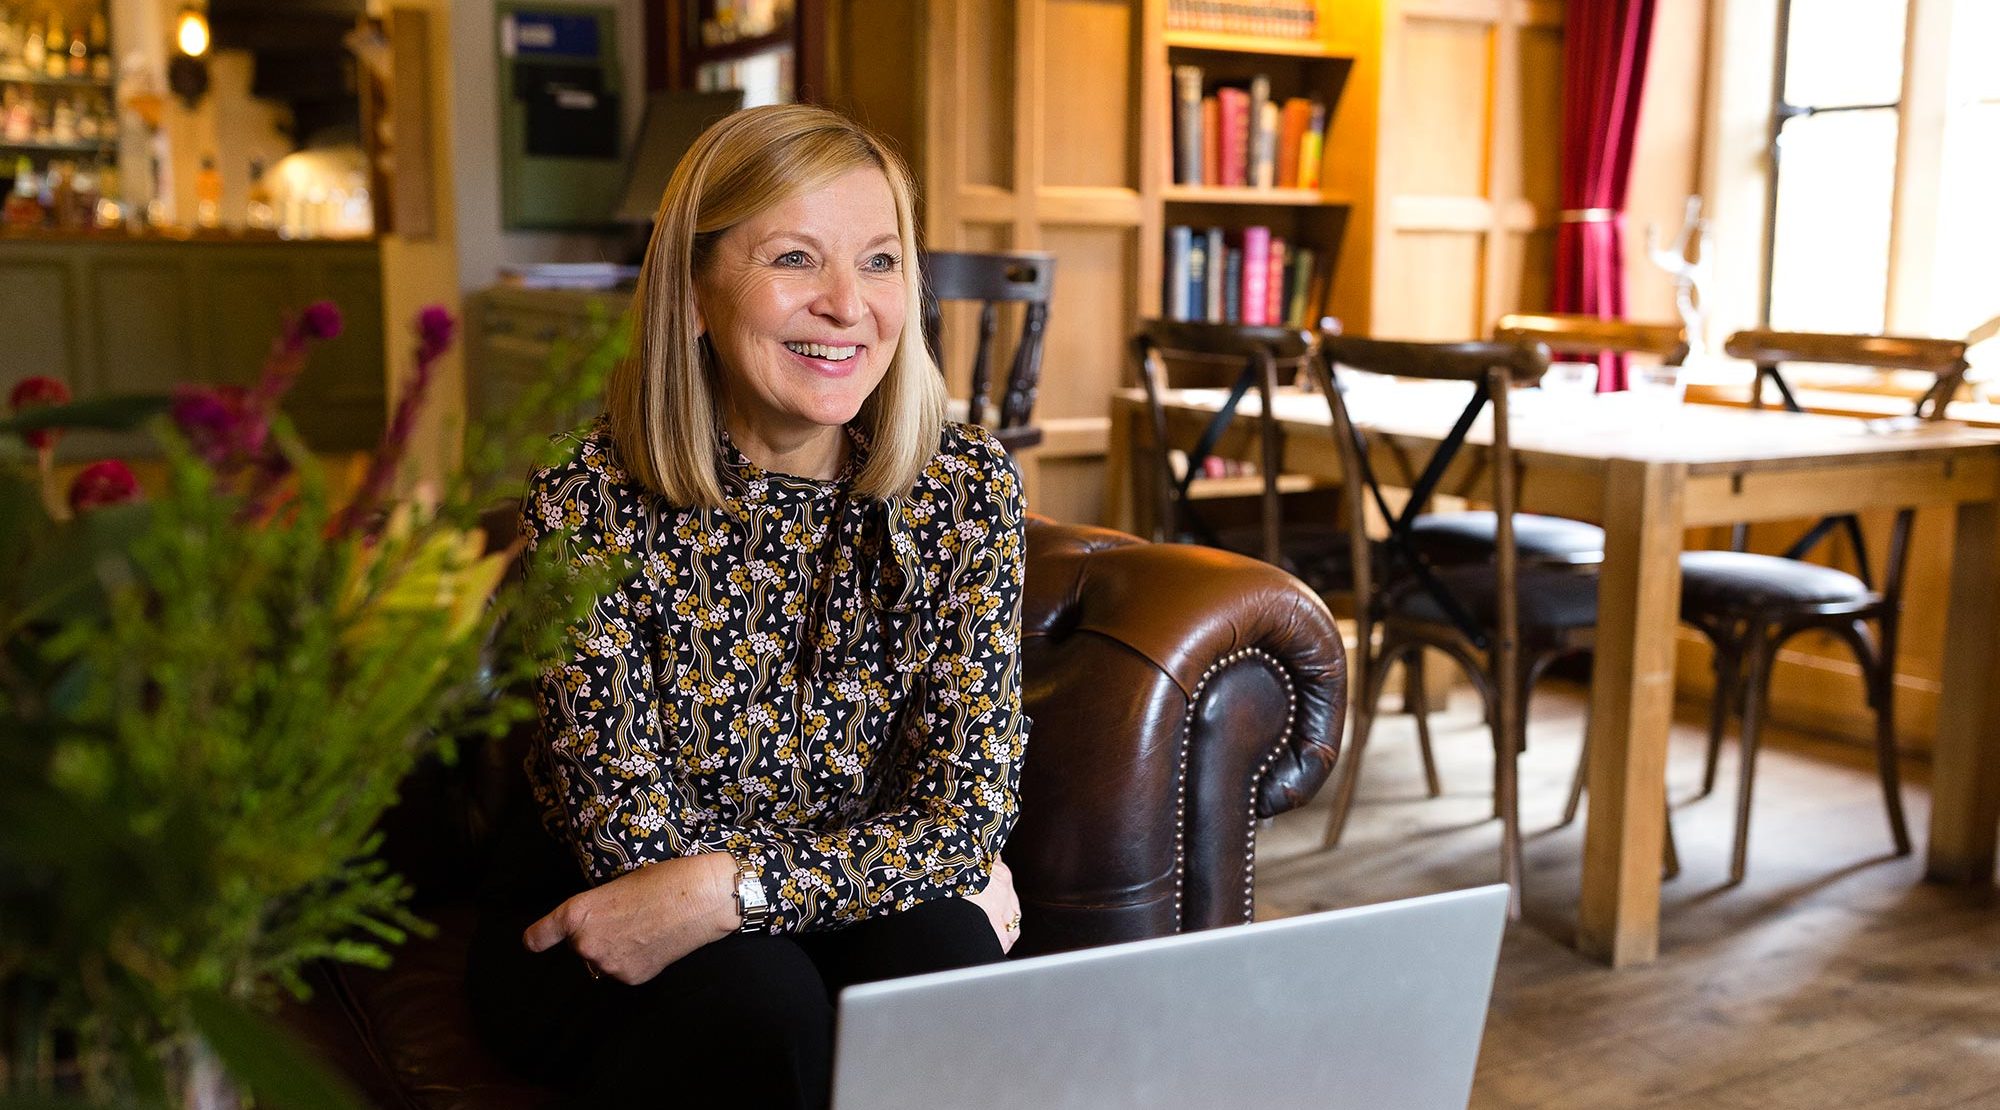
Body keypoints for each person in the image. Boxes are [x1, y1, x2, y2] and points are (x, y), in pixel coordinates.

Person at [466, 104, 1029, 1109]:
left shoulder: (967, 488)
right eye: (794, 259)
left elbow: (965, 812)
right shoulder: (588, 499)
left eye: (879, 261)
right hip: (603, 910)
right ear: (692, 290)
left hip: (795, 891)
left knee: (941, 959)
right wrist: (914, 868)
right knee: (765, 1004)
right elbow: (632, 844)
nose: (846, 305)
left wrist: (737, 890)